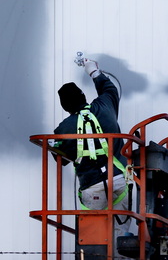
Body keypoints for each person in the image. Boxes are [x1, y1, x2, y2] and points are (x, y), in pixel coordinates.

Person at [53, 57, 132, 249]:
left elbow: (60, 158)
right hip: (119, 181)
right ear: (83, 97)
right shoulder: (105, 105)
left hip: (92, 187)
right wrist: (93, 71)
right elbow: (110, 89)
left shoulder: (64, 129)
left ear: (65, 106)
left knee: (93, 243)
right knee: (121, 241)